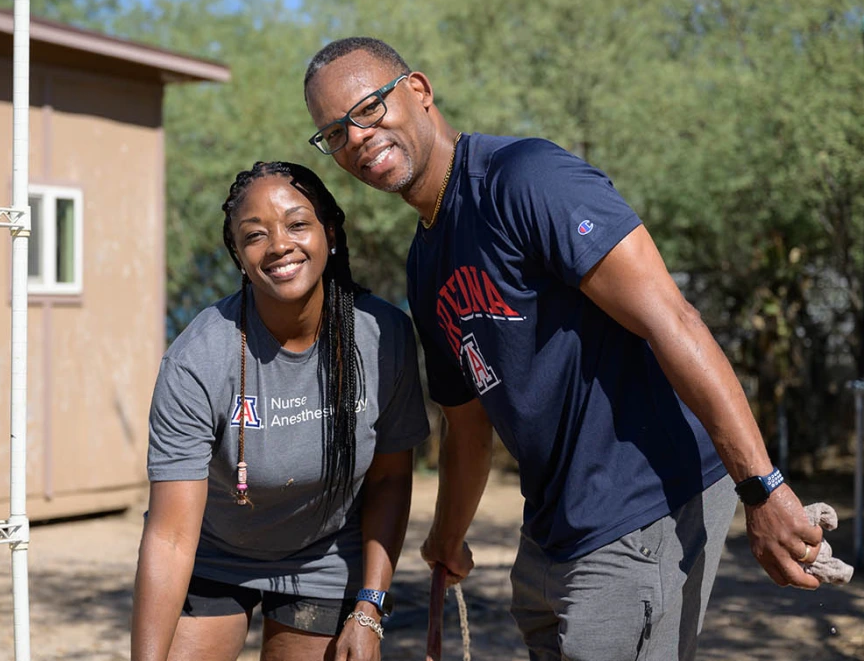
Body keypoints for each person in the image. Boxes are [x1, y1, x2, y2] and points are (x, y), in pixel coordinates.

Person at [302, 37, 826, 660]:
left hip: (644, 499)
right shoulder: (425, 261)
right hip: (552, 531)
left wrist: (762, 488)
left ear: (417, 91)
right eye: (334, 132)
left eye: (367, 109)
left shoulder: (526, 179)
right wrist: (446, 539)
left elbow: (673, 321)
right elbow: (467, 425)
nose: (356, 137)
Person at [131, 161, 429, 661]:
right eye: (254, 235)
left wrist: (369, 608)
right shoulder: (198, 359)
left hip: (325, 554)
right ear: (238, 256)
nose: (278, 246)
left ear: (329, 233)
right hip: (213, 551)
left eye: (297, 224)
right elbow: (170, 536)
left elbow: (389, 482)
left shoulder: (382, 337)